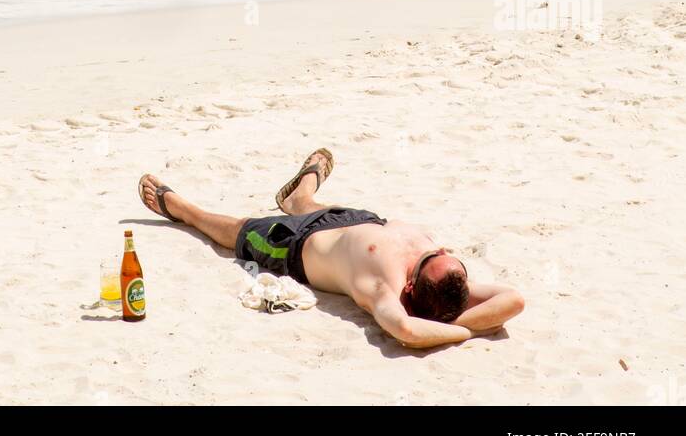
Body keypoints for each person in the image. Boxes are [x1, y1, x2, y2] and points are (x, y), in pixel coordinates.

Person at [138, 147, 524, 348]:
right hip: (357, 219)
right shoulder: (448, 280)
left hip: (295, 245)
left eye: (431, 259)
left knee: (240, 229)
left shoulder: (384, 290)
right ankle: (301, 193)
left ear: (411, 288)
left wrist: (454, 331)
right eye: (443, 254)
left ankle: (183, 209)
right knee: (308, 207)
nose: (438, 251)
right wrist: (470, 323)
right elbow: (514, 299)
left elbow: (406, 330)